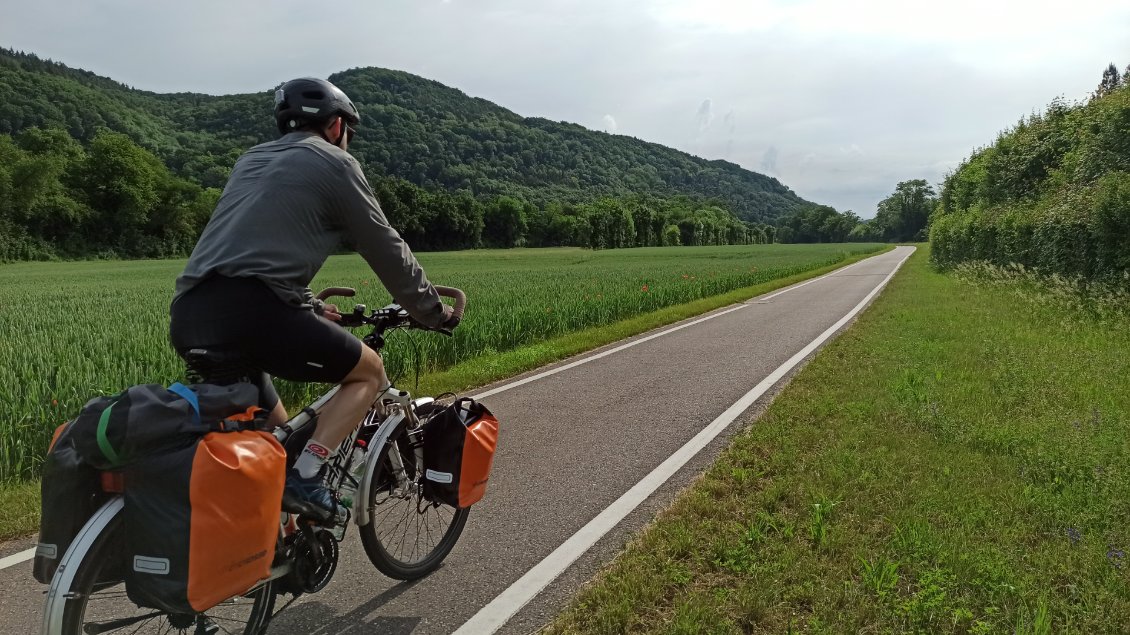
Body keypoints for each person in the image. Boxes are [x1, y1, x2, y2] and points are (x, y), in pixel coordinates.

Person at [169, 77, 458, 522]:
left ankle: (272, 550)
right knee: (368, 373)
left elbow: (245, 247)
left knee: (275, 444)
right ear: (337, 125)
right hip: (258, 314)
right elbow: (385, 247)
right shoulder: (336, 164)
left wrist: (304, 302)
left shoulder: (251, 161)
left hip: (190, 313)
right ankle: (308, 474)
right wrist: (432, 312)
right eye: (350, 133)